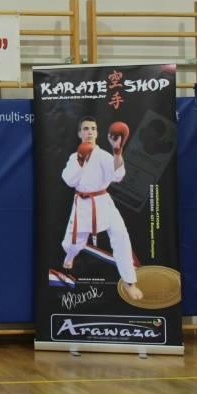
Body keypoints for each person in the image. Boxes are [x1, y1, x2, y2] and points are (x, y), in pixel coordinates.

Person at [60, 116, 143, 300]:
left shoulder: (104, 156)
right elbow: (68, 180)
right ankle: (70, 256)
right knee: (74, 242)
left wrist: (117, 152)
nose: (89, 132)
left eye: (93, 128)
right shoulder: (74, 157)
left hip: (103, 201)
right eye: (85, 129)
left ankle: (129, 282)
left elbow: (118, 175)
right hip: (82, 204)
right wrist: (80, 160)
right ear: (79, 133)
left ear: (97, 133)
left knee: (121, 236)